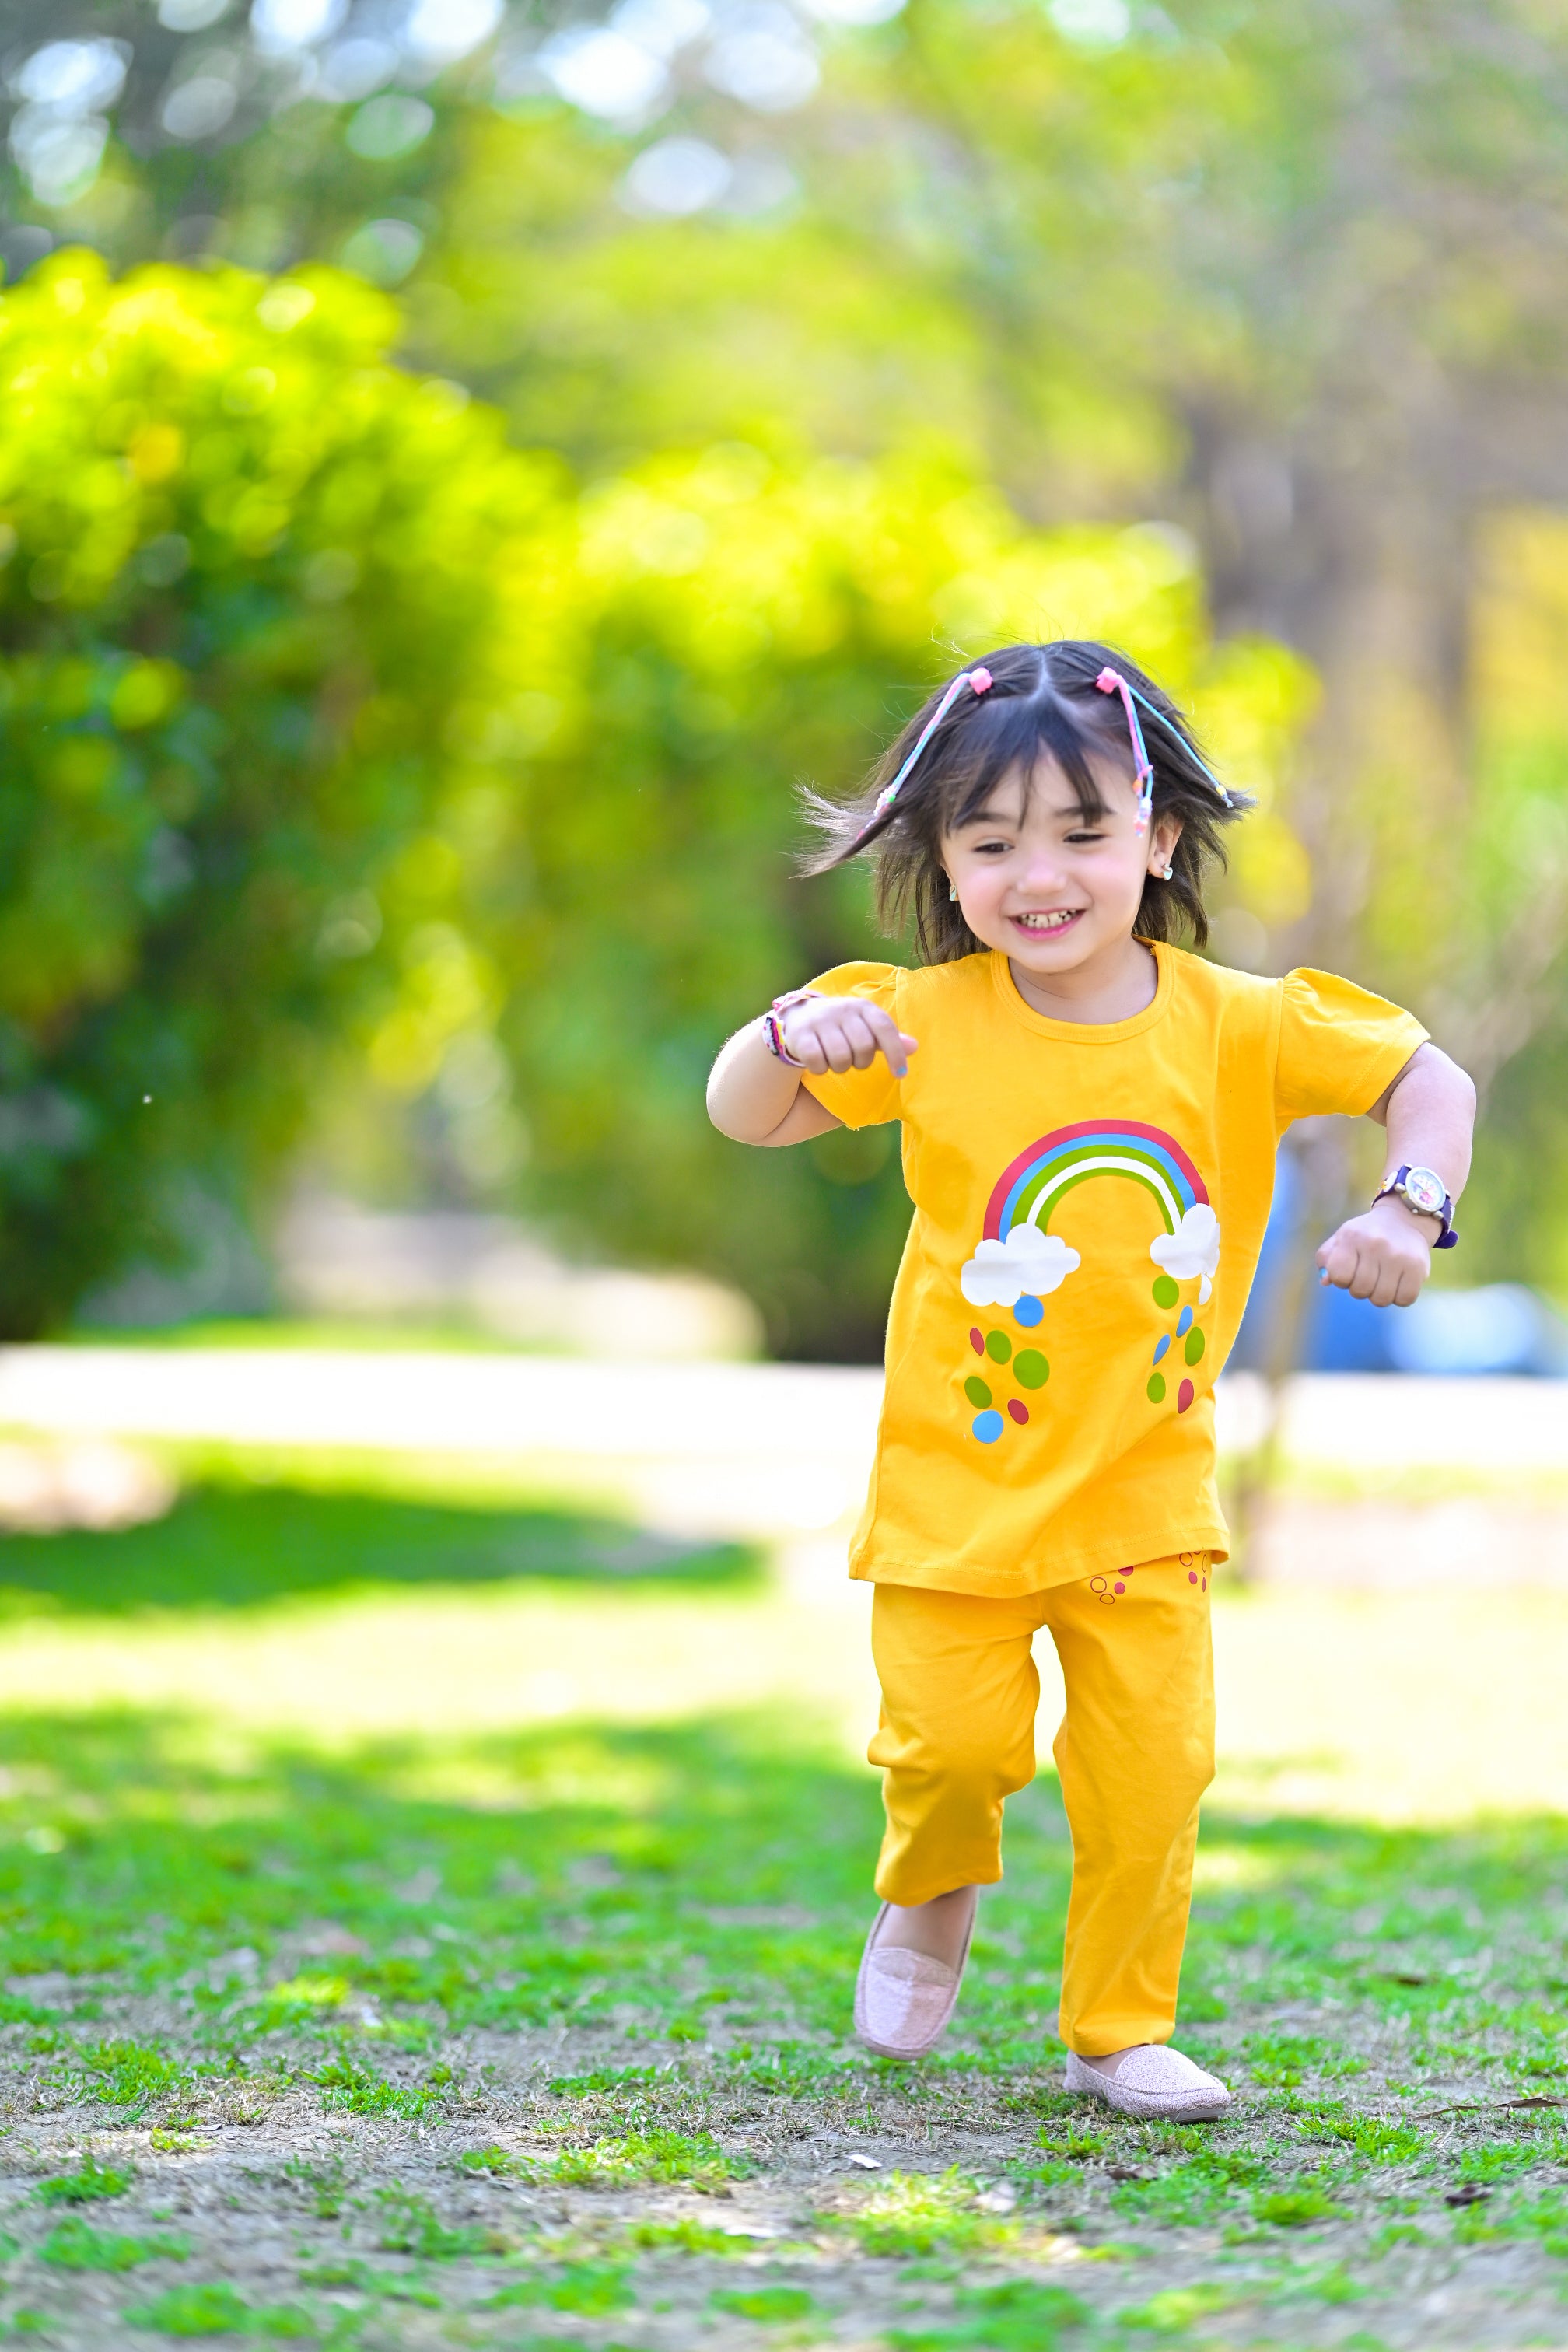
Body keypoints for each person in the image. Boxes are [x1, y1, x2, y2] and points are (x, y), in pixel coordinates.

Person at [705, 640, 1475, 2121]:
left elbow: (1424, 1076)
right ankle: (930, 1890)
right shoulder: (920, 1020)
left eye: (1080, 832)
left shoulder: (1240, 1024)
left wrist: (1409, 1204)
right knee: (948, 1750)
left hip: (1146, 1502)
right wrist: (784, 1032)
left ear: (1157, 834)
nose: (1036, 874)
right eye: (989, 842)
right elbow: (752, 1114)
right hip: (955, 1496)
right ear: (942, 856)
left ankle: (1120, 2026)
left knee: (1152, 1776)